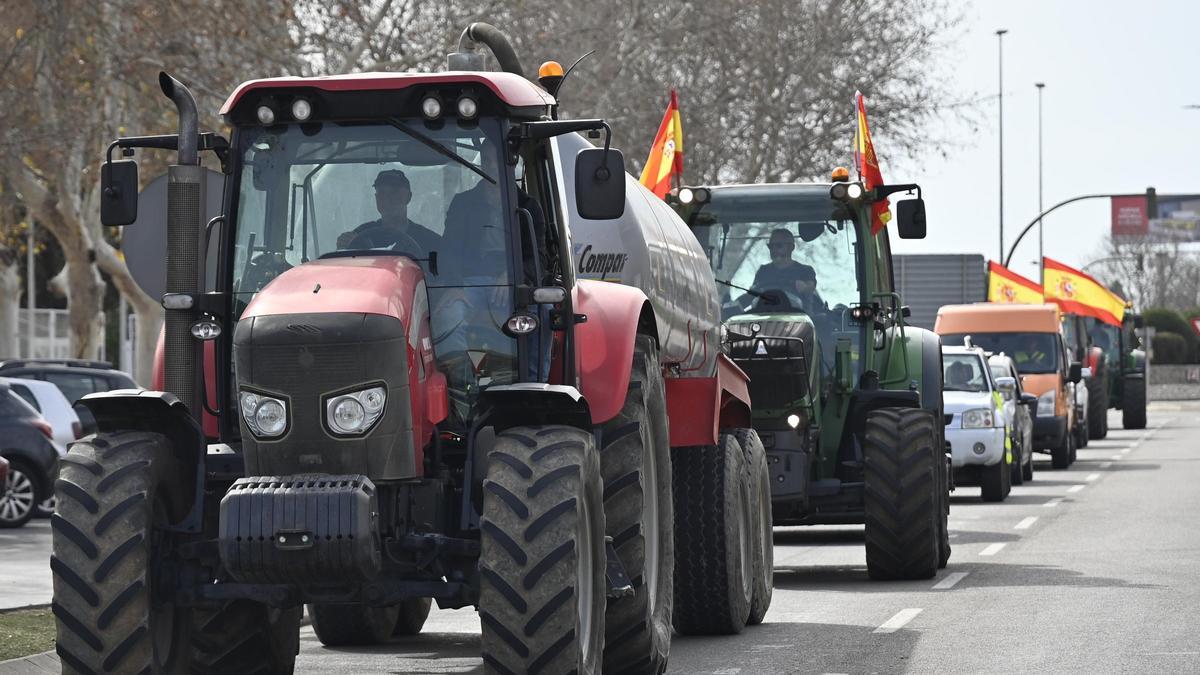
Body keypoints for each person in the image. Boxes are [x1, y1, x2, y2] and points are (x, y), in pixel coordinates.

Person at [337, 169, 441, 254]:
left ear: (409, 197)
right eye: (381, 193)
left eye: (394, 192)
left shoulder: (431, 241)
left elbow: (442, 276)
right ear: (376, 198)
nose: (387, 198)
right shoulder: (360, 237)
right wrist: (344, 247)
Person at [749, 228, 826, 312]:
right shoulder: (763, 271)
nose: (774, 250)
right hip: (764, 319)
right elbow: (753, 293)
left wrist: (804, 287)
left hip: (800, 320)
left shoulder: (805, 270)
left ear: (791, 247)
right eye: (771, 246)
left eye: (779, 245)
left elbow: (810, 287)